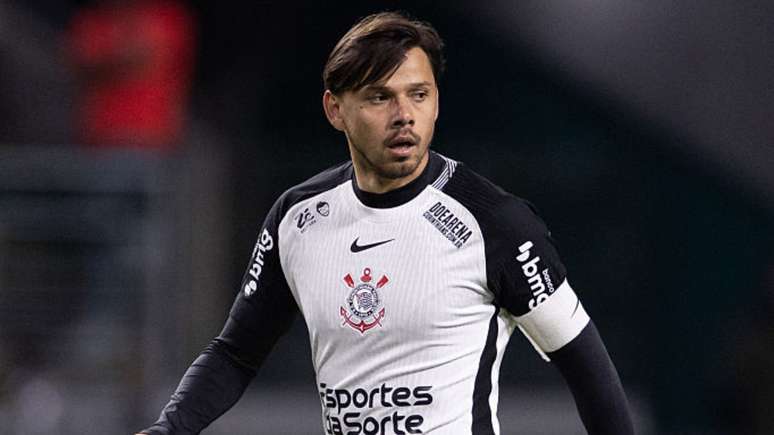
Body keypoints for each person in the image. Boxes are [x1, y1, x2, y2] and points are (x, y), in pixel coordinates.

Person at [137, 11, 634, 435]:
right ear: (336, 109)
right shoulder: (298, 219)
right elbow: (236, 354)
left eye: (418, 95)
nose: (404, 115)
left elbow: (589, 370)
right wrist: (169, 428)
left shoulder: (496, 223)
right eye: (379, 97)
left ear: (437, 100)